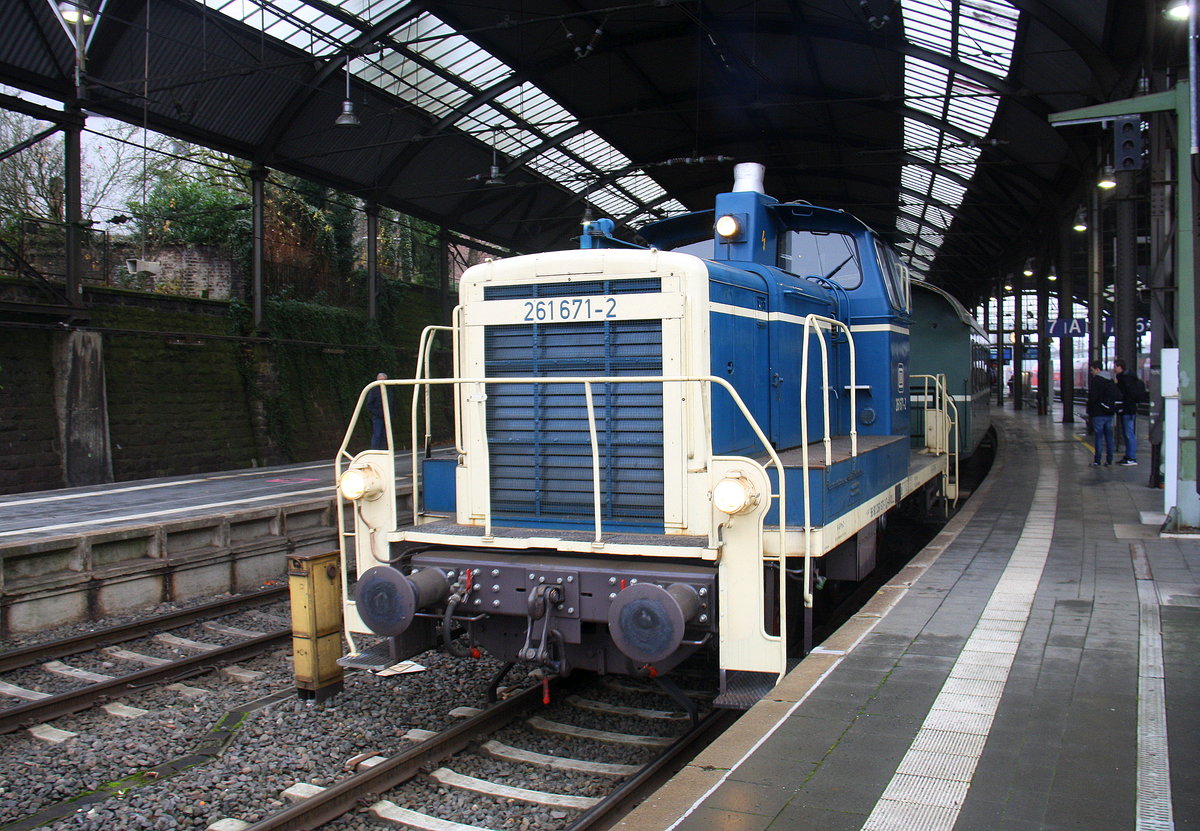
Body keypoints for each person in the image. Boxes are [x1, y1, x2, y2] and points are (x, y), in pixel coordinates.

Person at [1086, 360, 1120, 467]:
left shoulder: (1096, 380)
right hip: (1109, 413)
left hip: (1098, 413)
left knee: (1099, 437)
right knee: (1109, 437)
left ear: (1097, 369)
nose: (1091, 372)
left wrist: (1090, 409)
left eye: (1092, 370)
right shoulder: (1110, 379)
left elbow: (1093, 397)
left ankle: (1097, 460)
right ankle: (1109, 460)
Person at [1113, 358, 1145, 466]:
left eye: (1115, 366)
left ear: (1119, 367)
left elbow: (1125, 395)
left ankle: (1131, 457)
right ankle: (1128, 456)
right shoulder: (1129, 377)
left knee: (1129, 434)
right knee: (1128, 433)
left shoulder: (1125, 379)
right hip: (1129, 409)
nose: (1114, 368)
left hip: (1128, 410)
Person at [365, 372, 389, 450]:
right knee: (377, 434)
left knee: (385, 435)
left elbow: (392, 402)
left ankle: (384, 450)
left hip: (387, 416)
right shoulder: (373, 390)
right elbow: (369, 404)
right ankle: (374, 450)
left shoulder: (389, 390)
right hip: (378, 416)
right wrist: (378, 413)